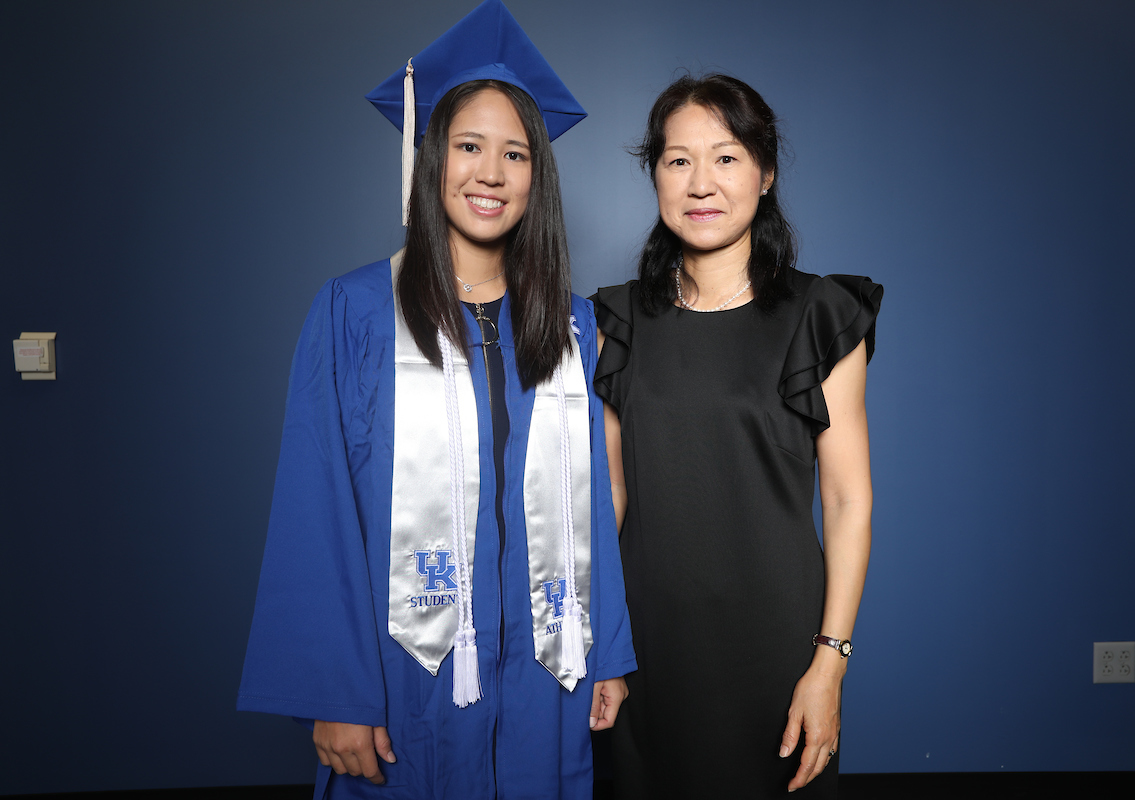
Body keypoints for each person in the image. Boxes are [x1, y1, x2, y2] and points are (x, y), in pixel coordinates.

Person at [238, 2, 636, 798]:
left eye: (515, 154)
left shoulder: (570, 323)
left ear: (537, 177)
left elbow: (587, 502)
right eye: (468, 146)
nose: (490, 173)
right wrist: (333, 693)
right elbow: (315, 505)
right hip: (401, 674)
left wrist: (607, 654)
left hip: (540, 672)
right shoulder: (354, 311)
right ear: (431, 160)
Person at [593, 74, 882, 798]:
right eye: (677, 159)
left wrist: (830, 663)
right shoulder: (615, 323)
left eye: (725, 157)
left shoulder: (822, 313)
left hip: (776, 643)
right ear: (654, 174)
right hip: (645, 642)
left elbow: (848, 500)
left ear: (766, 171)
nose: (701, 183)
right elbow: (610, 492)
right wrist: (596, 640)